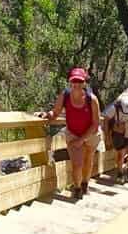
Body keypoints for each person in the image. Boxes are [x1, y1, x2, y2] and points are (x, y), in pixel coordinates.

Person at [37, 67, 101, 200]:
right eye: (74, 81)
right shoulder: (65, 96)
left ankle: (85, 184)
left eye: (80, 81)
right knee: (77, 163)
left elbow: (95, 124)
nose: (77, 84)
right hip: (73, 133)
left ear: (84, 82)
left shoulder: (92, 99)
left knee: (88, 159)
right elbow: (55, 112)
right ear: (70, 82)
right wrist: (46, 115)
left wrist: (82, 140)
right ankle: (77, 188)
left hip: (90, 134)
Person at [104, 92, 128, 183]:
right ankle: (120, 172)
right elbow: (106, 118)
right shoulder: (115, 107)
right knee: (120, 155)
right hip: (119, 133)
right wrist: (107, 135)